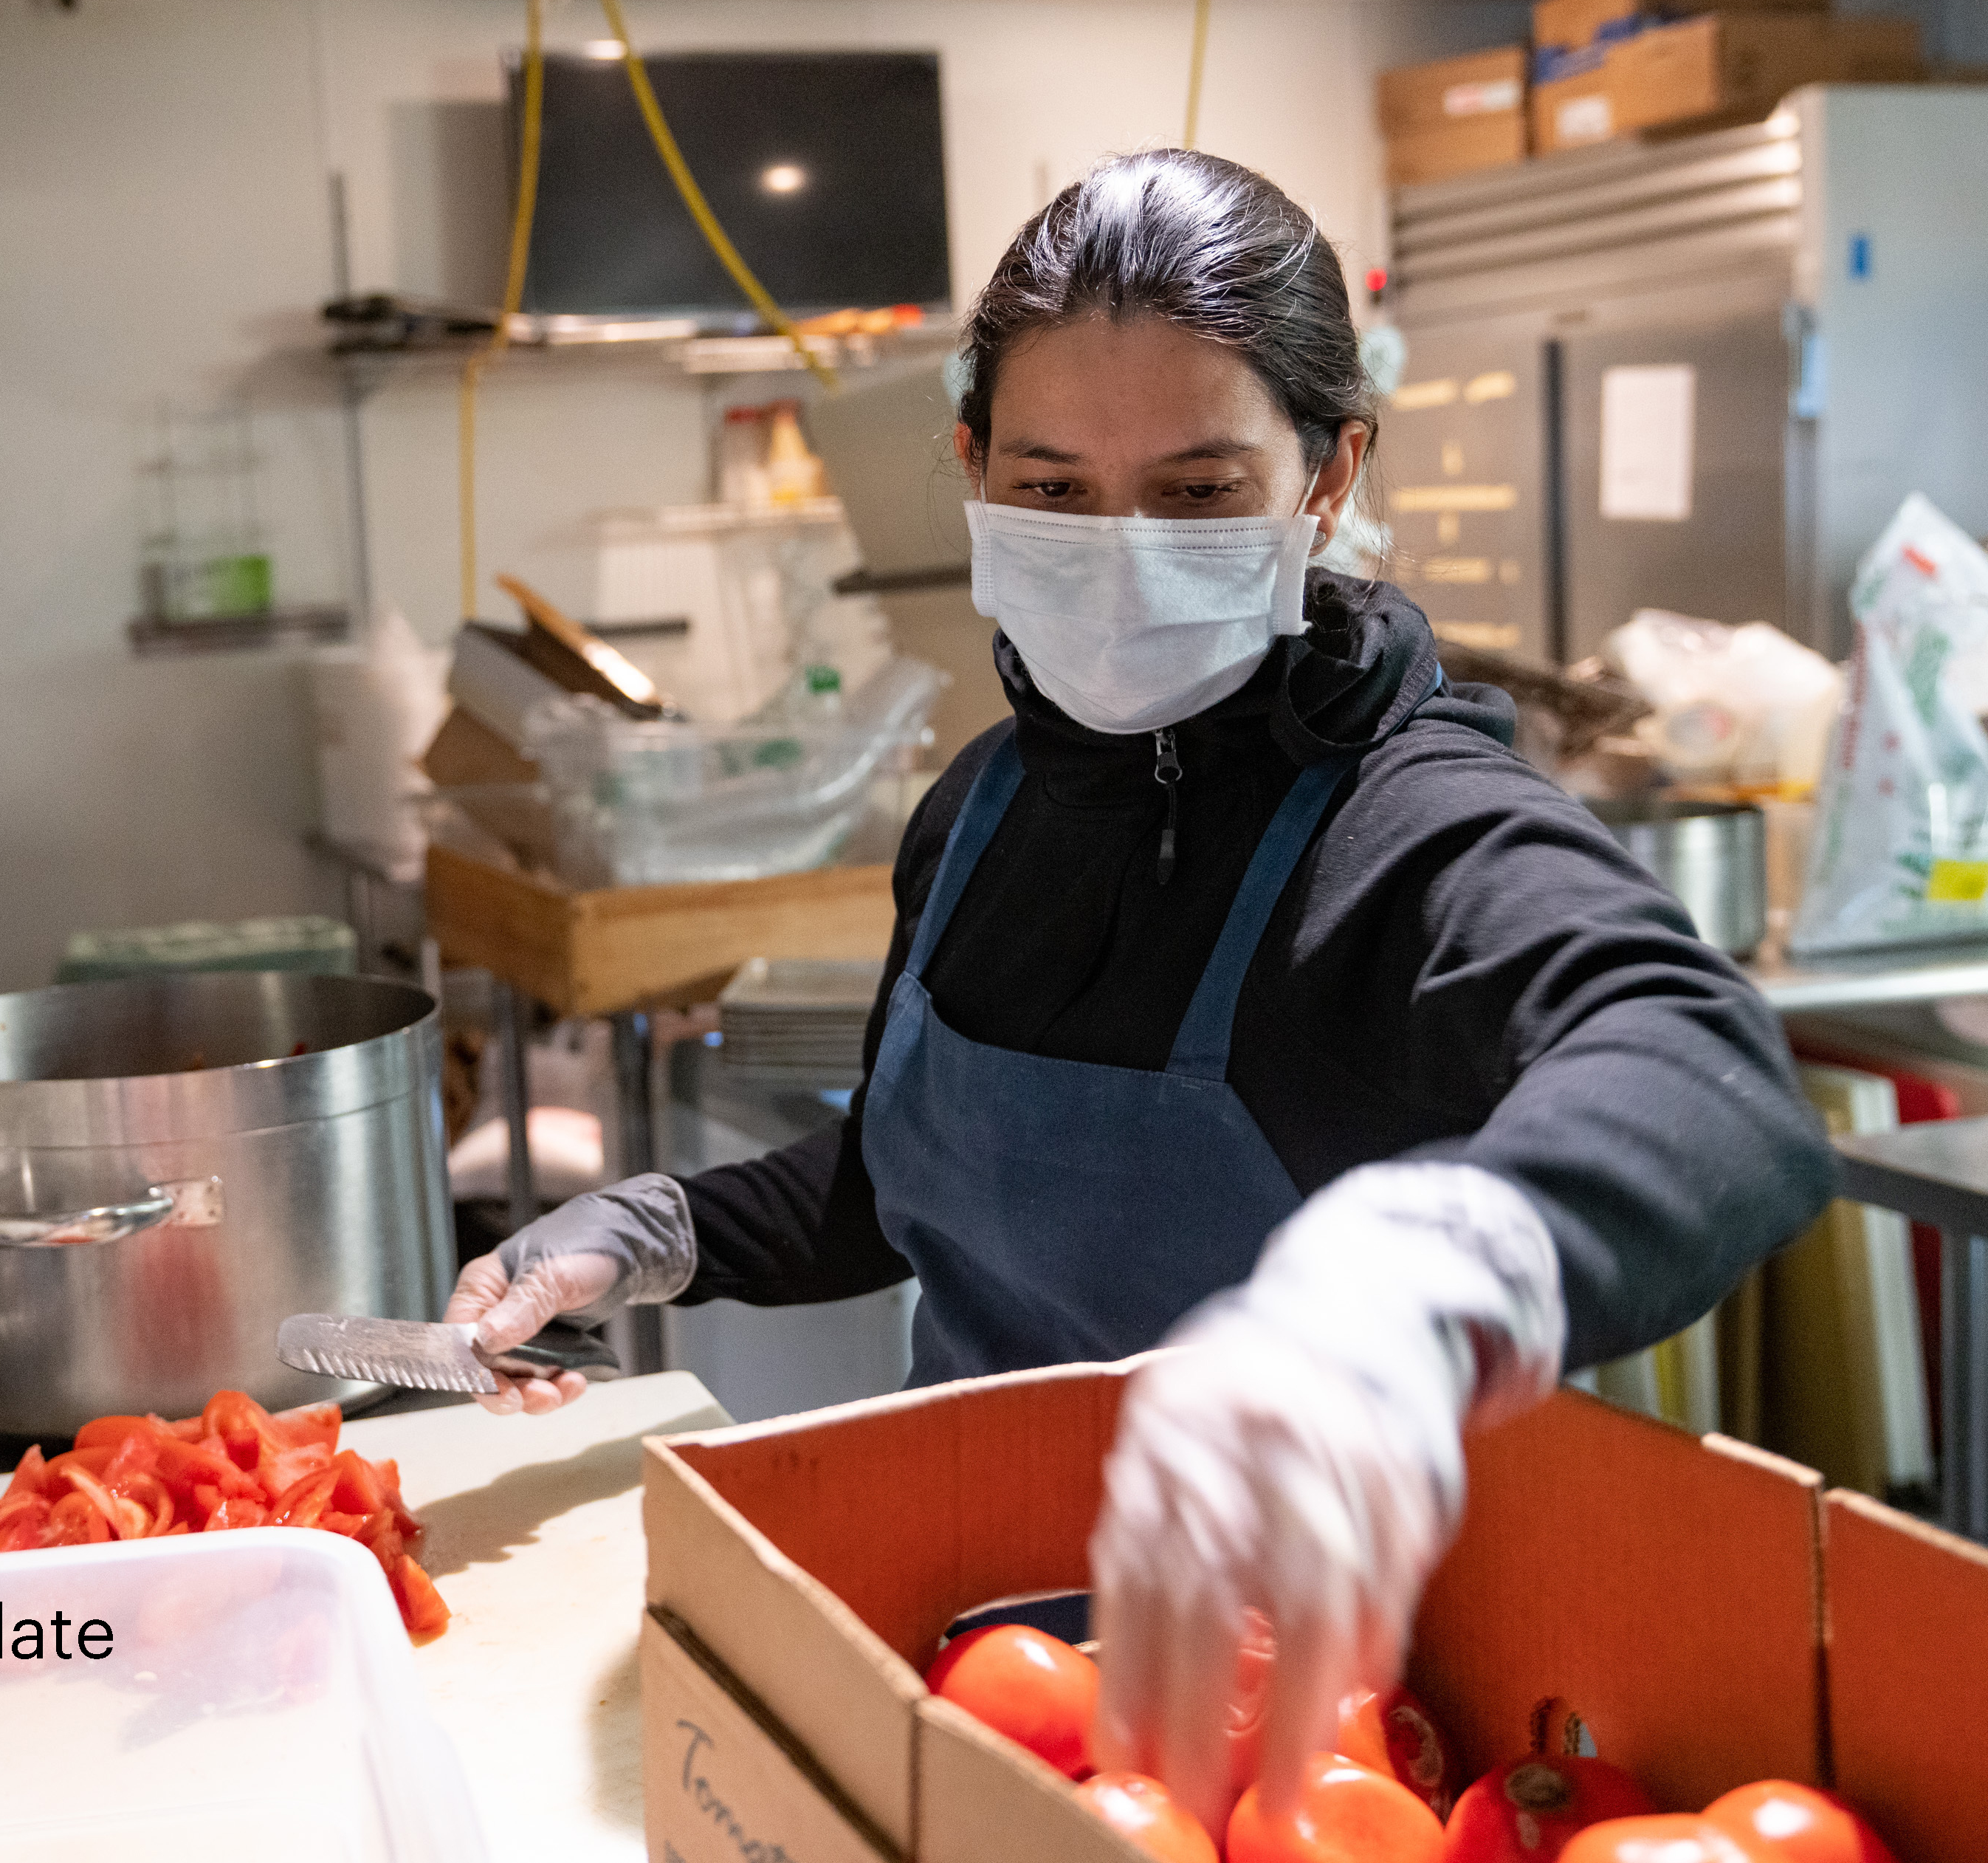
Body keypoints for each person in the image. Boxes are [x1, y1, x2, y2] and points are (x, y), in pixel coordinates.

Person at [444, 152, 1833, 1829]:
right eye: (1050, 488)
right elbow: (905, 1183)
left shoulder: (1409, 826)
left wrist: (1412, 1282)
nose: (1117, 553)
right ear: (969, 470)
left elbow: (1708, 1073)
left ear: (1327, 477)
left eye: (1195, 493)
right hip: (975, 1685)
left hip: (1320, 1747)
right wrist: (657, 1225)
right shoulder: (978, 811)